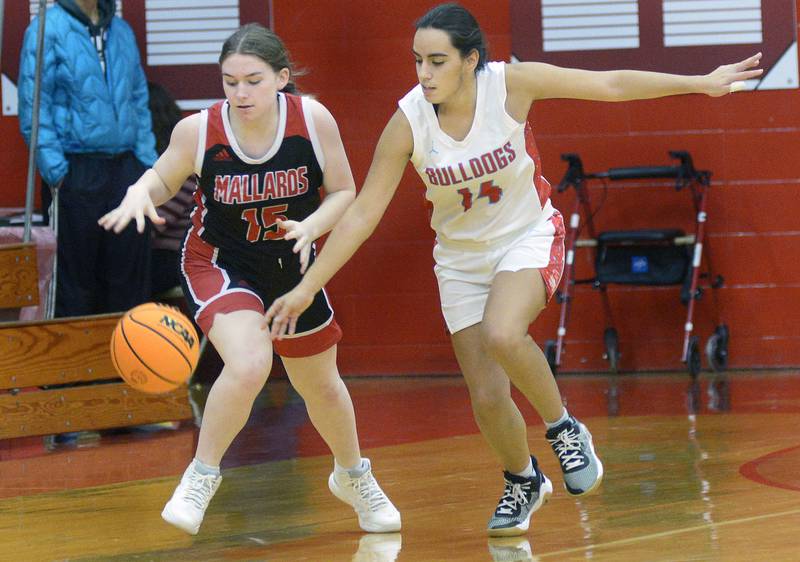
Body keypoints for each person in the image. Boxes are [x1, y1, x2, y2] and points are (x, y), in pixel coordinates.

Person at [265, 2, 762, 537]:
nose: (424, 74)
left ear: (470, 60)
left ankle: (564, 429)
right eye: (417, 62)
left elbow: (611, 84)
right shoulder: (408, 121)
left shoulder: (510, 85)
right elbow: (363, 212)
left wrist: (701, 82)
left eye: (437, 61)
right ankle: (522, 479)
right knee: (486, 393)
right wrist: (305, 288)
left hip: (528, 236)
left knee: (505, 332)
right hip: (459, 260)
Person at [98, 23, 401, 536]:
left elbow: (344, 193)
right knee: (250, 361)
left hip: (289, 265)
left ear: (281, 78)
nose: (240, 93)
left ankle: (353, 476)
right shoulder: (199, 130)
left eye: (253, 80)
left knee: (321, 385)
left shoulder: (312, 119)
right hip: (219, 263)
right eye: (230, 81)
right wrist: (138, 191)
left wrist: (312, 225)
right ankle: (201, 475)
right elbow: (164, 175)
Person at [18, 0, 157, 317]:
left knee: (130, 280)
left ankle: (129, 364)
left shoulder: (121, 30)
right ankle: (76, 365)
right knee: (74, 282)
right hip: (74, 169)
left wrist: (146, 165)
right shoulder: (45, 29)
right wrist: (57, 172)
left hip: (127, 171)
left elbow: (138, 97)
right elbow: (34, 107)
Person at [146, 81, 197, 298]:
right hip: (168, 256)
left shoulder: (178, 168)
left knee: (119, 274)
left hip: (173, 258)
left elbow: (155, 225)